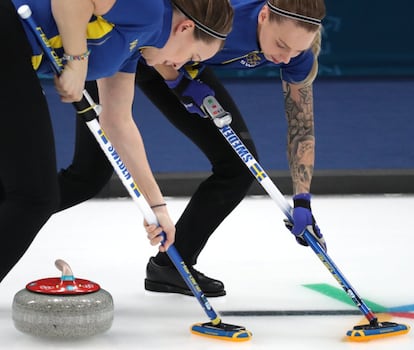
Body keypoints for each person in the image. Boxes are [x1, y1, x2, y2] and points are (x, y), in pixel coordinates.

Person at [52, 0, 327, 298]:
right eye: (281, 44)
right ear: (263, 15)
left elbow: (301, 125)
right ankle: (18, 206)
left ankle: (173, 265)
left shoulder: (297, 55)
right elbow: (165, 26)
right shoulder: (224, 13)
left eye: (297, 51)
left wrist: (303, 199)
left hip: (182, 61)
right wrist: (180, 84)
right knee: (89, 176)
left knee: (238, 166)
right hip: (126, 47)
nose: (286, 59)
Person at [0, 0, 234, 284]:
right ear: (185, 27)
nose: (180, 66)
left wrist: (156, 207)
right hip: (9, 34)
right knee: (34, 197)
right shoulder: (150, 11)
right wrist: (77, 61)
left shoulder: (137, 45)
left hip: (15, 50)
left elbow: (117, 121)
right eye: (192, 55)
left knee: (23, 191)